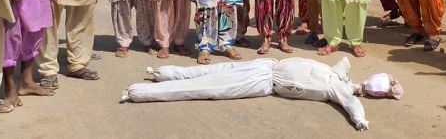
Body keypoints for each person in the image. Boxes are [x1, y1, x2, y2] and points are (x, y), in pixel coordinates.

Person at [121, 57, 373, 131]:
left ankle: (141, 90)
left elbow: (351, 101)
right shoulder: (334, 74)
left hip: (266, 78)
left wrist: (359, 118)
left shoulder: (336, 84)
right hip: (266, 68)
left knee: (209, 84)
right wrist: (359, 110)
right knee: (209, 75)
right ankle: (160, 73)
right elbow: (346, 68)